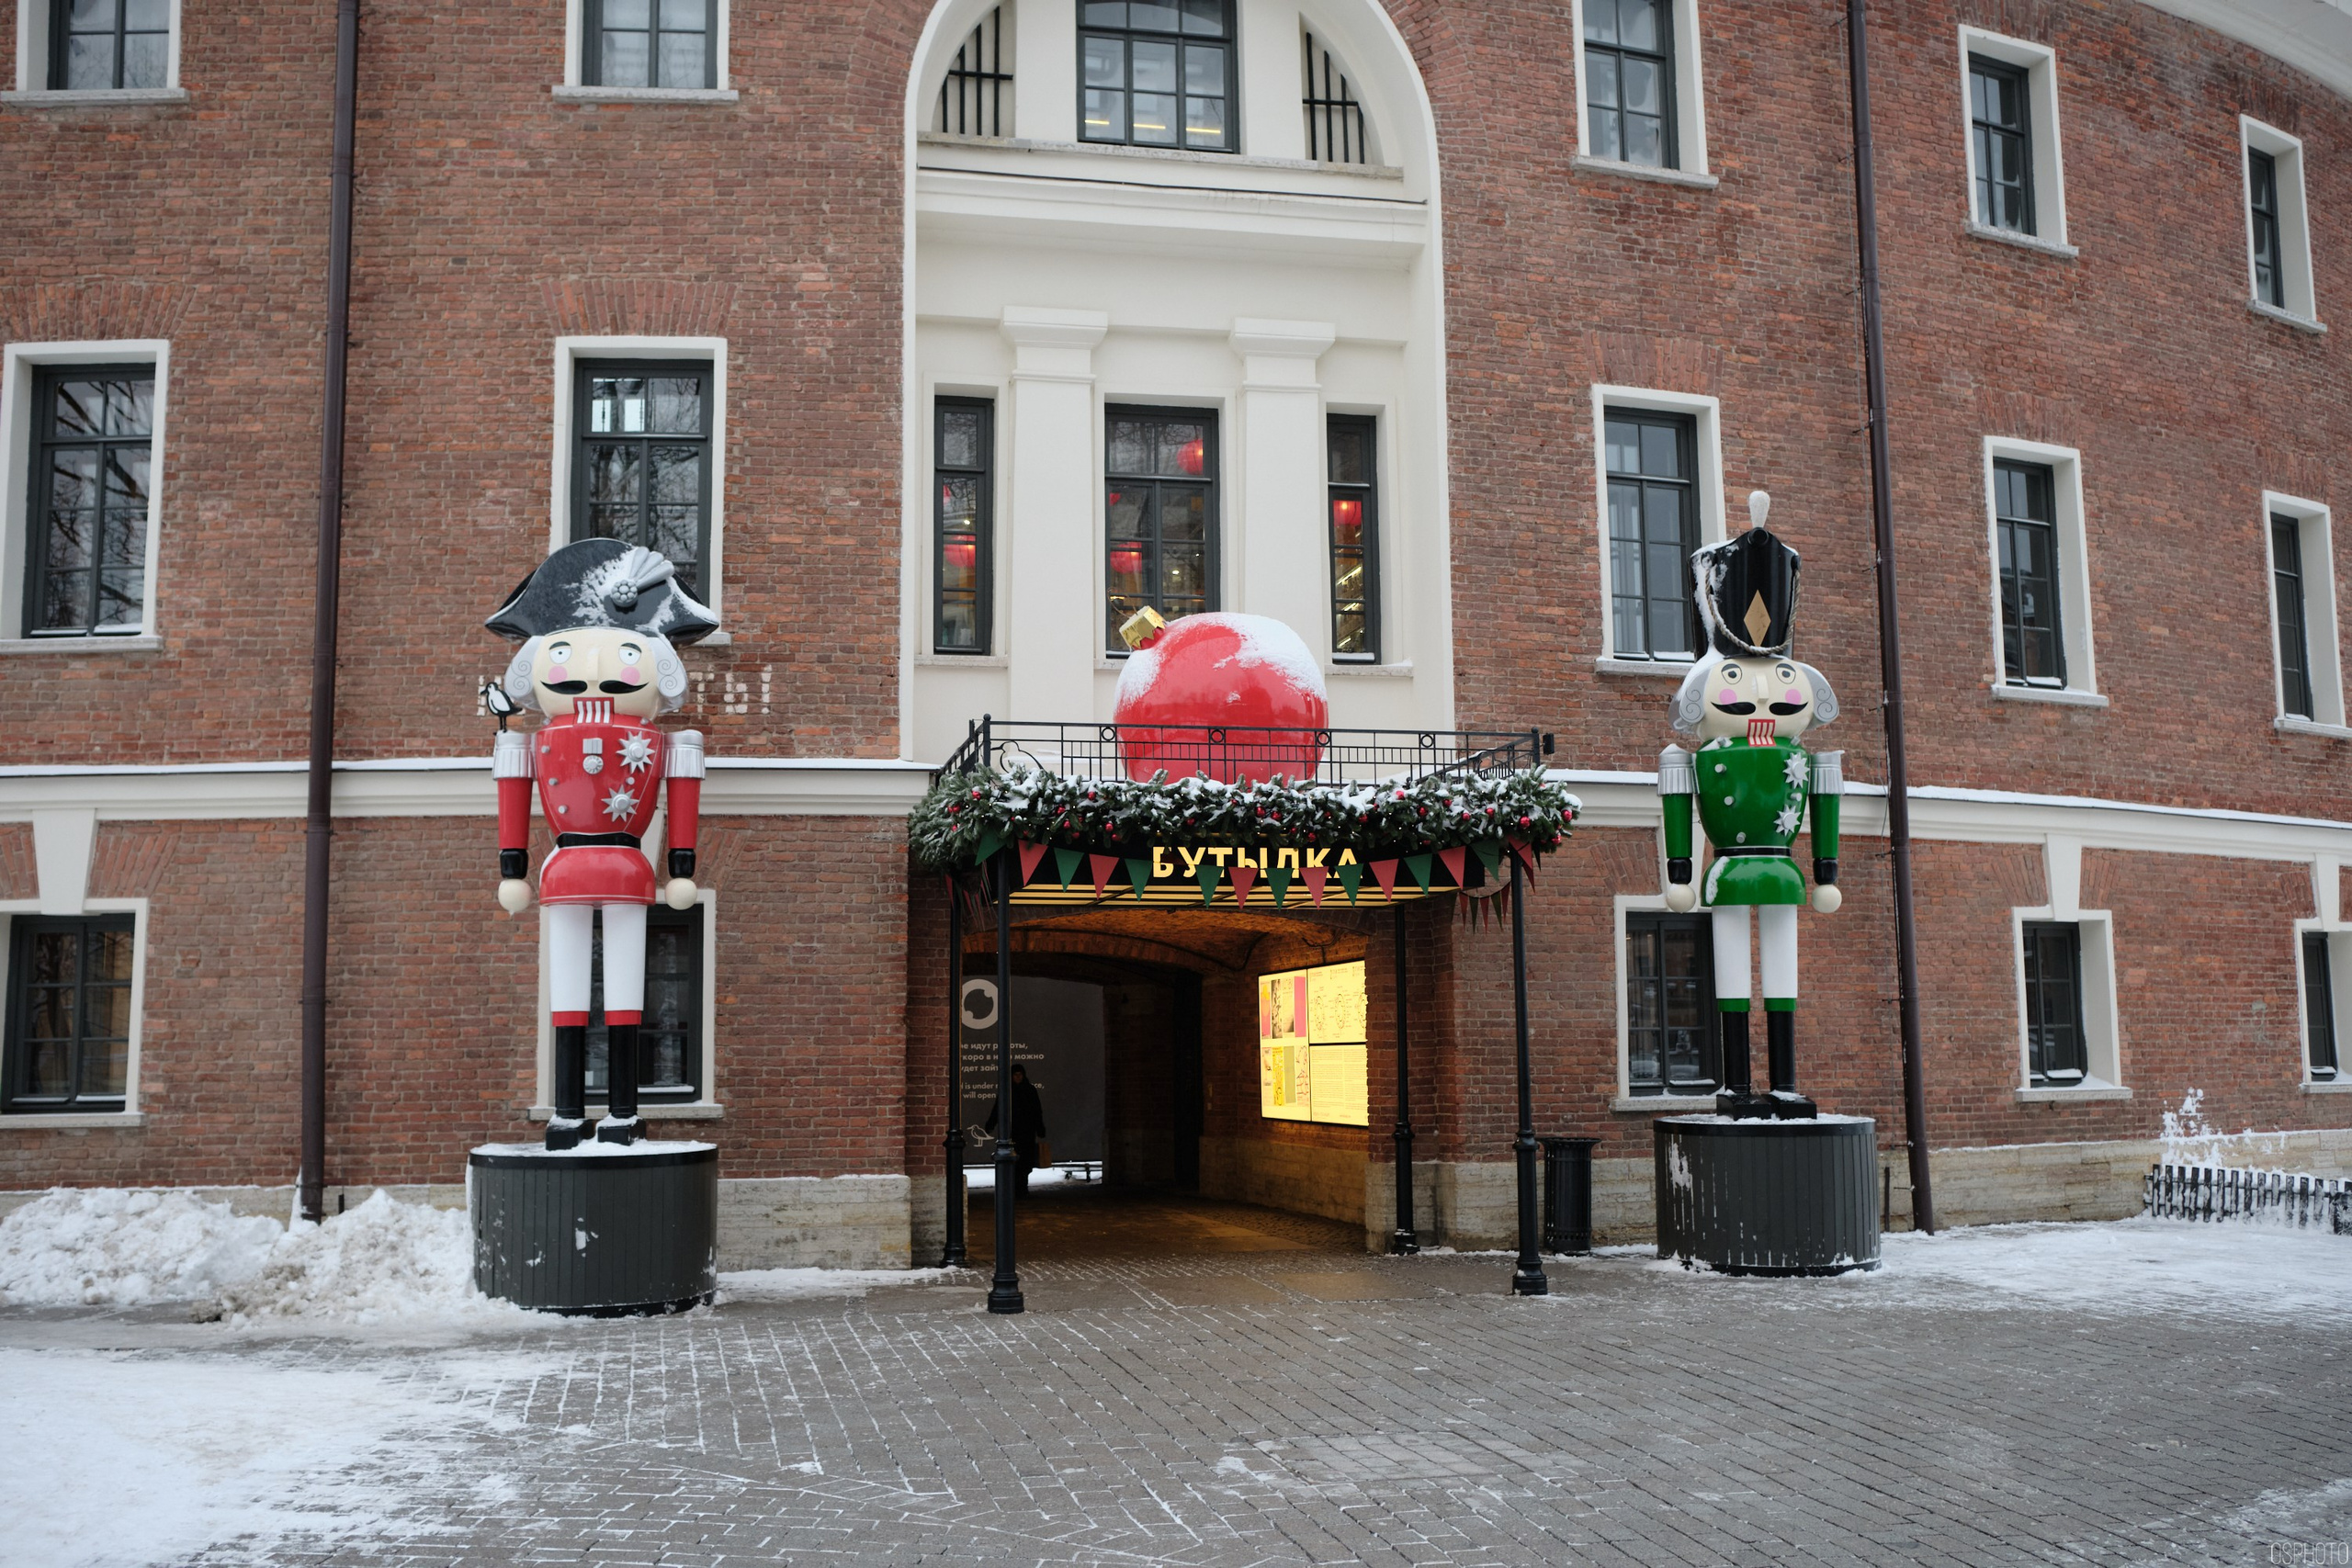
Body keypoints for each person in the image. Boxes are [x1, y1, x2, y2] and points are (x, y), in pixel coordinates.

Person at [983, 1065, 1049, 1195]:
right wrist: (990, 1124)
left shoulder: (1029, 1090)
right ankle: (1015, 1189)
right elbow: (998, 1110)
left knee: (1025, 1162)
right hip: (1012, 1132)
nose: (1018, 1077)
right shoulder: (1007, 1091)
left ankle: (1022, 1188)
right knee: (1014, 1161)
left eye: (1020, 1075)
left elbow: (1037, 1111)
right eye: (1015, 1075)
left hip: (1027, 1132)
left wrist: (1040, 1128)